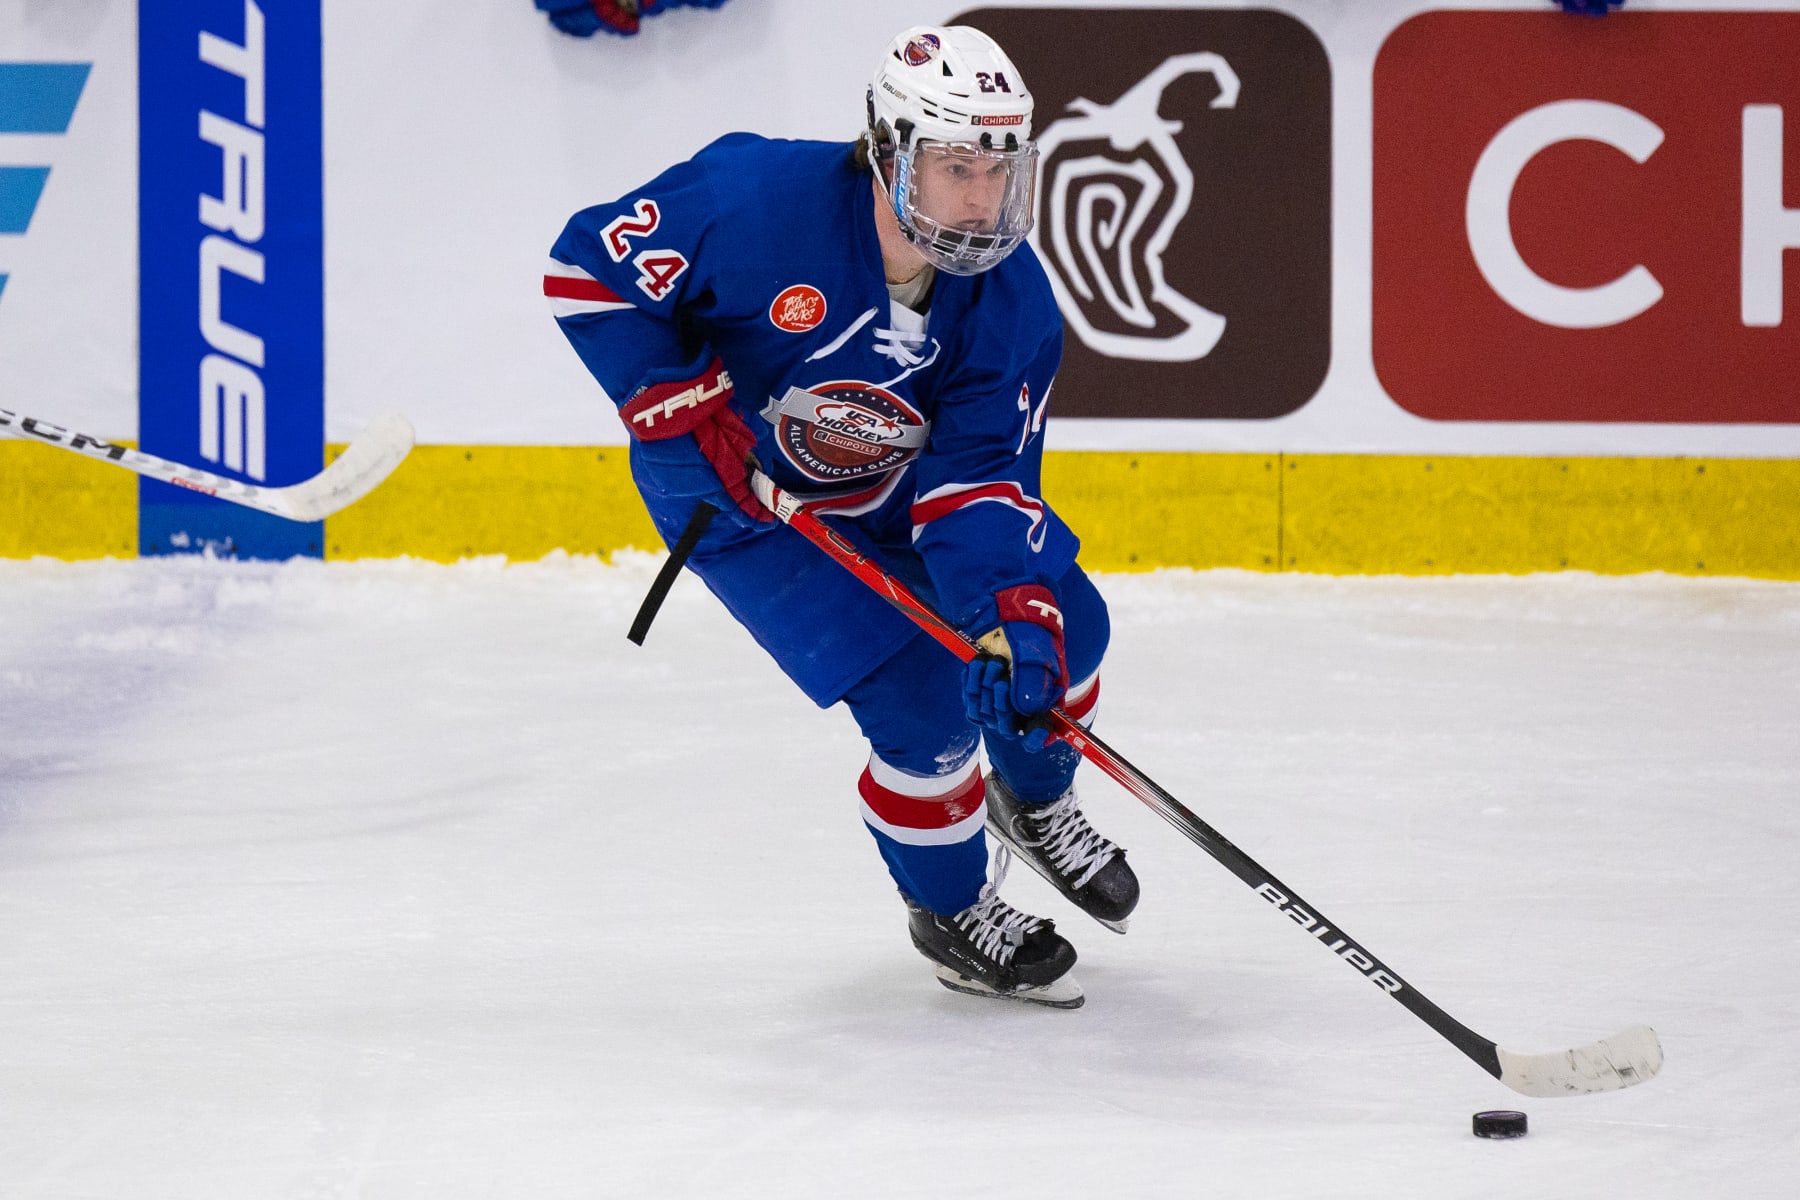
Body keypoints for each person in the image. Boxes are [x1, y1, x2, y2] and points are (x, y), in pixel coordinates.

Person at [546, 24, 1138, 1008]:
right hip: (741, 502)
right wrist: (678, 399)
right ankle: (950, 909)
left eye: (1001, 171)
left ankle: (1035, 800)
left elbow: (977, 483)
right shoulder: (752, 204)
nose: (985, 201)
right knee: (925, 711)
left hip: (899, 499)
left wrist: (1006, 617)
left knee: (1068, 634)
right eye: (958, 169)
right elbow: (587, 269)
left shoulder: (1012, 305)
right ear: (891, 152)